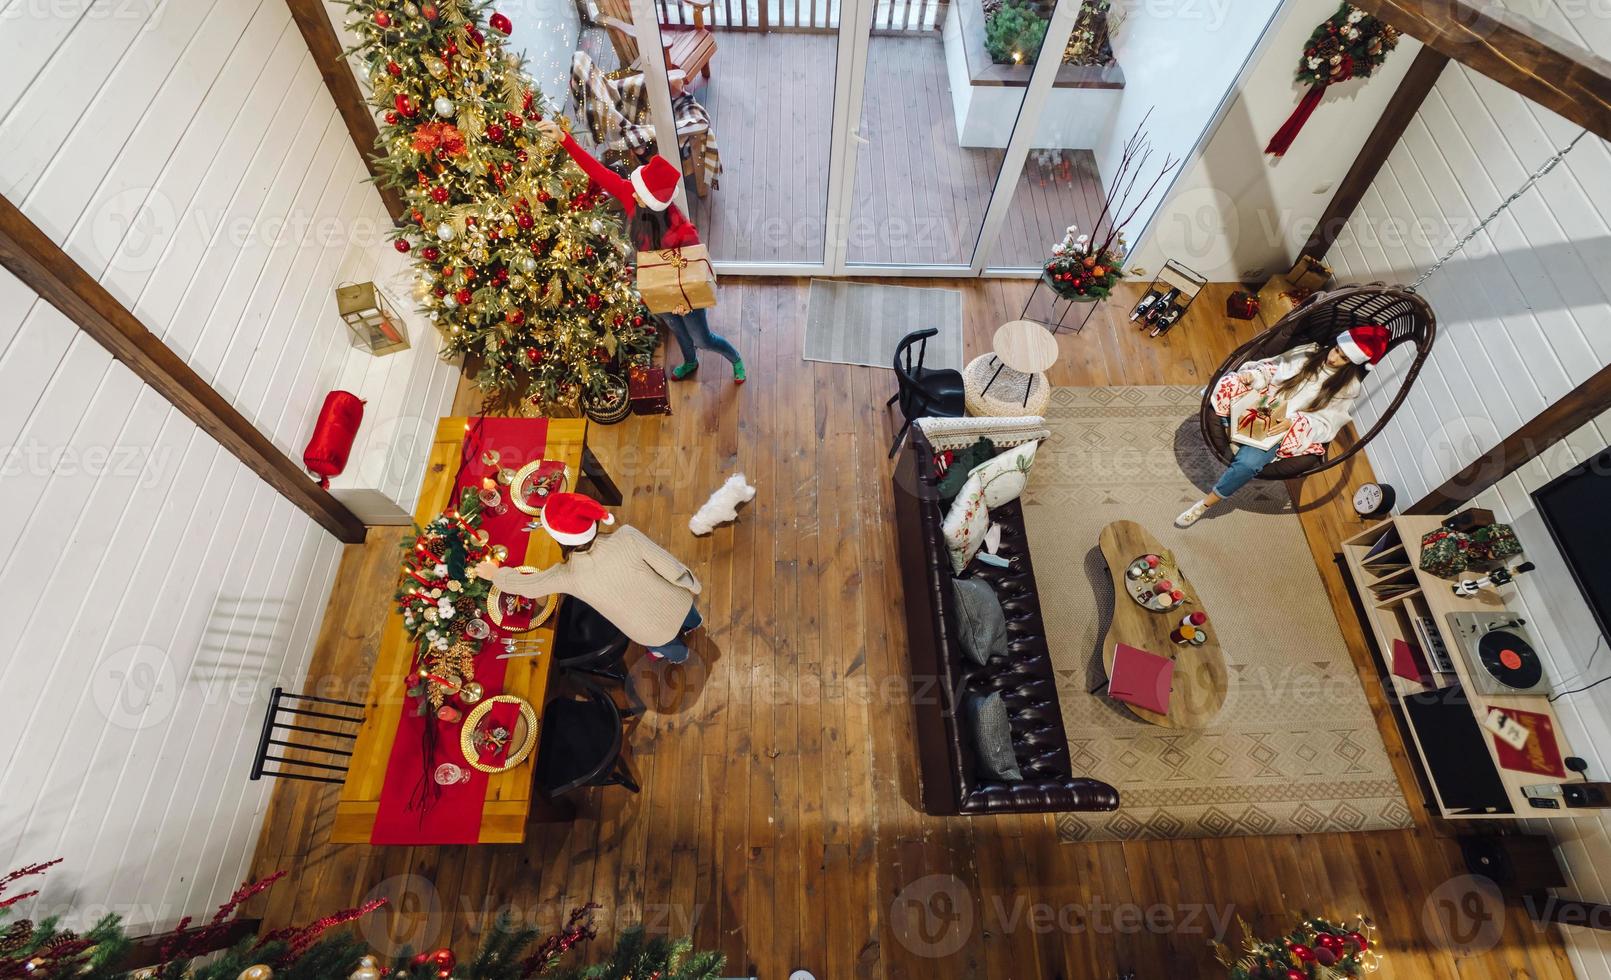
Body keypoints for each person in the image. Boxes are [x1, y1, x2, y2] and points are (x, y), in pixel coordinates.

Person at [534, 117, 746, 384]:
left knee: (702, 338)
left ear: (651, 204)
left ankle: (734, 357)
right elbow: (598, 172)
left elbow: (697, 271)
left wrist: (686, 301)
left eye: (639, 191)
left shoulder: (682, 232)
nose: (631, 190)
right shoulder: (630, 195)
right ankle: (690, 361)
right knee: (674, 326)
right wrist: (564, 139)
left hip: (685, 293)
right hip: (657, 285)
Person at [1175, 324, 1390, 529]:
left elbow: (1326, 423)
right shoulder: (1310, 352)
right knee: (1228, 382)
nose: (1333, 358)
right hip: (1261, 399)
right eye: (1336, 350)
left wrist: (1291, 424)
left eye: (1343, 358)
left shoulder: (1348, 387)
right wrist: (1255, 376)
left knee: (1249, 465)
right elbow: (1273, 369)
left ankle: (1204, 505)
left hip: (1281, 426)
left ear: (1352, 363)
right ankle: (1234, 433)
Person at [476, 492, 704, 663]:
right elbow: (669, 565)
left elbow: (529, 586)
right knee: (688, 615)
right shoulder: (627, 536)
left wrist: (496, 574)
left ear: (560, 539)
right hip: (676, 601)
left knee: (667, 645)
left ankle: (680, 656)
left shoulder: (568, 575)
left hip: (648, 631)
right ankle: (695, 624)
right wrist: (691, 585)